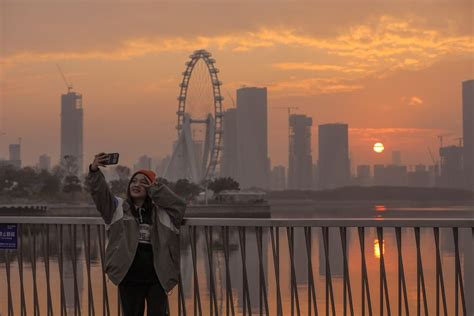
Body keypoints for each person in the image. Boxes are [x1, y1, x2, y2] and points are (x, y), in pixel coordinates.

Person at [86, 153, 186, 315]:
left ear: (152, 187)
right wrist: (94, 170)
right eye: (134, 181)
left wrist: (154, 188)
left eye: (143, 182)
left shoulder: (163, 213)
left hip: (158, 277)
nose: (136, 184)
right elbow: (100, 194)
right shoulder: (116, 208)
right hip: (128, 276)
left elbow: (179, 205)